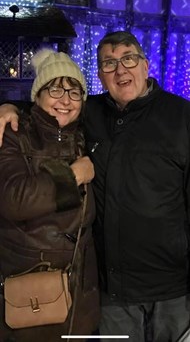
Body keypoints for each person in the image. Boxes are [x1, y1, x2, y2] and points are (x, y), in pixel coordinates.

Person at [1, 30, 190, 342]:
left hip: (172, 289)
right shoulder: (91, 113)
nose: (120, 70)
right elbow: (47, 107)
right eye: (109, 63)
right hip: (110, 291)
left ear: (145, 65)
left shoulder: (181, 116)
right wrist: (7, 107)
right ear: (101, 77)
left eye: (128, 58)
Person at [0, 48, 99, 342]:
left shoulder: (84, 135)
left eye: (74, 91)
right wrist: (73, 176)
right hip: (34, 291)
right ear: (37, 95)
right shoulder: (14, 134)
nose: (65, 100)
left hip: (81, 293)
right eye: (55, 89)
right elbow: (13, 199)